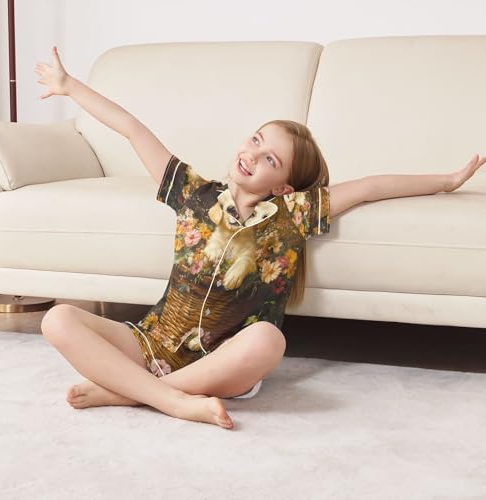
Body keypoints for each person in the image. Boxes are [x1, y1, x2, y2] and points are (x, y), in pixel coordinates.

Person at [34, 46, 485, 430]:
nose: (252, 154)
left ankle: (132, 393)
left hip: (224, 364)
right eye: (255, 140)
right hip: (151, 342)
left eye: (270, 159)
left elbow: (370, 187)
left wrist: (448, 181)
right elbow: (133, 129)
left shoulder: (294, 214)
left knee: (269, 339)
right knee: (57, 319)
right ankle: (168, 399)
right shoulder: (193, 192)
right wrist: (70, 86)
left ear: (285, 187)